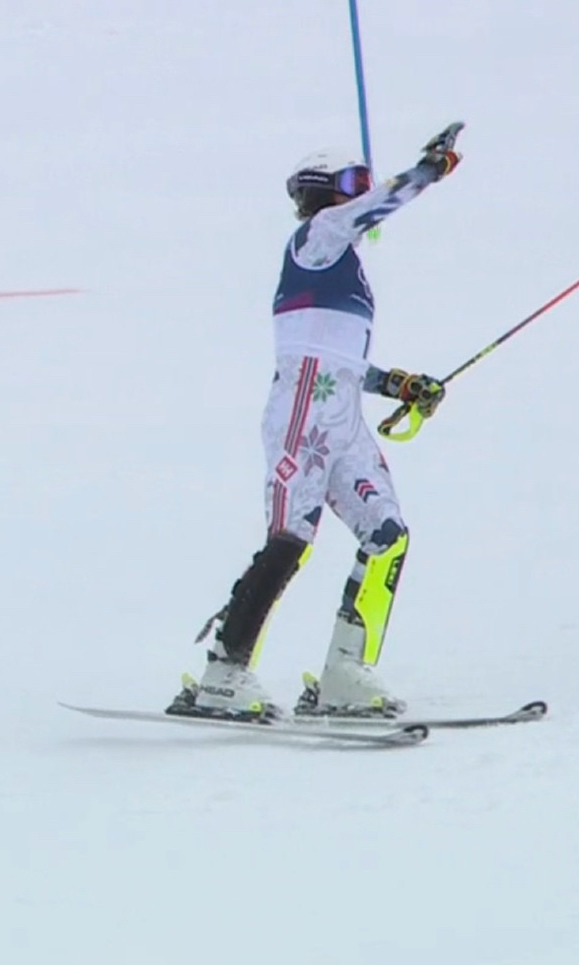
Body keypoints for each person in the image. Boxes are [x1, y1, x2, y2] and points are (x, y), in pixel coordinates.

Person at [173, 121, 464, 722]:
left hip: (342, 417)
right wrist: (426, 173)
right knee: (291, 539)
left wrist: (398, 384)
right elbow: (371, 209)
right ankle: (222, 674)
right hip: (302, 415)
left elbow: (339, 361)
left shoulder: (342, 262)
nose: (361, 194)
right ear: (322, 192)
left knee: (388, 534)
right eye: (353, 184)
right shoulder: (316, 238)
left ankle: (345, 671)